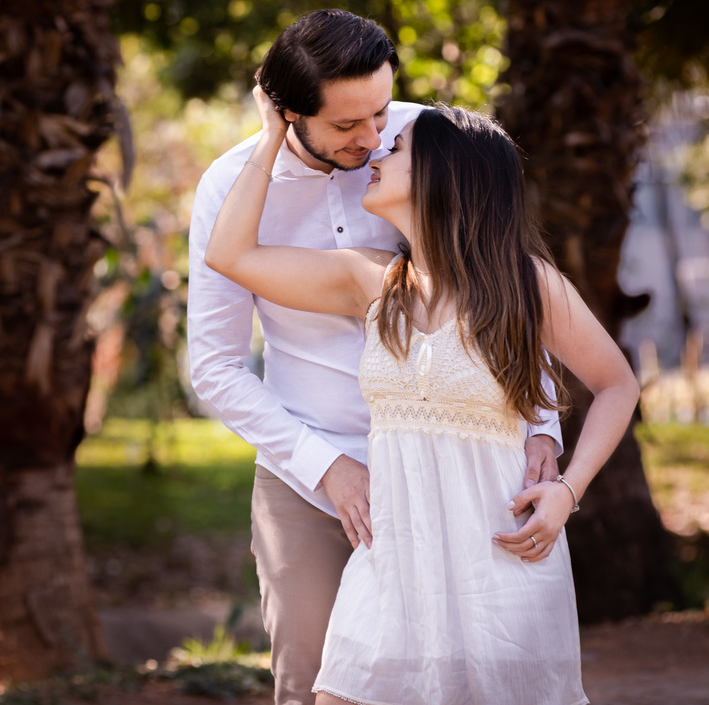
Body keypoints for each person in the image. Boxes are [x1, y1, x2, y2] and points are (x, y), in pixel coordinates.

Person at [204, 86, 640, 703]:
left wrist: (568, 491)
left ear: (444, 174)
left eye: (398, 144)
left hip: (500, 562)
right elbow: (230, 254)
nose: (379, 147)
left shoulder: (527, 282)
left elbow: (616, 384)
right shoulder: (370, 280)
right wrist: (277, 134)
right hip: (393, 562)